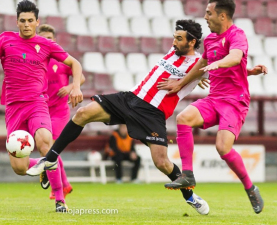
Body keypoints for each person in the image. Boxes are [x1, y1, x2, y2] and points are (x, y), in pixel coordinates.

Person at [28, 19, 216, 215]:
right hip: (131, 98)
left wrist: (199, 78)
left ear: (192, 42)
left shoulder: (199, 65)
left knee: (162, 162)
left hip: (152, 113)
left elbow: (215, 70)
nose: (174, 42)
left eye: (179, 39)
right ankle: (50, 159)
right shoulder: (174, 51)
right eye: (174, 38)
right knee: (83, 113)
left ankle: (190, 197)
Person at [160, 0, 267, 214]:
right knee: (183, 118)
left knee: (222, 148)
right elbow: (202, 64)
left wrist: (219, 65)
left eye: (209, 13)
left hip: (234, 102)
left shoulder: (237, 35)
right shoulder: (209, 40)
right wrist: (180, 83)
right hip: (214, 98)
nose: (205, 17)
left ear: (222, 15)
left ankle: (250, 187)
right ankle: (187, 175)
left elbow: (235, 57)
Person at [0, 0, 83, 212]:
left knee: (46, 142)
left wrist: (76, 87)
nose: (26, 24)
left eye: (30, 21)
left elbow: (75, 63)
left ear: (37, 22)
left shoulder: (46, 44)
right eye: (22, 21)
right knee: (19, 168)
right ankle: (43, 165)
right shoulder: (5, 39)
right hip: (14, 108)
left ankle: (60, 200)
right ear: (17, 22)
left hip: (37, 103)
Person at [38, 24, 86, 200]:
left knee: (50, 147)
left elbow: (81, 76)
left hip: (59, 111)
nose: (47, 41)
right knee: (50, 149)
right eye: (43, 38)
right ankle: (64, 184)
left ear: (54, 40)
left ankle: (58, 186)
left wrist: (70, 86)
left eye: (49, 38)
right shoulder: (37, 59)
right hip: (42, 110)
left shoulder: (61, 58)